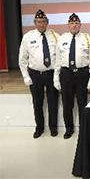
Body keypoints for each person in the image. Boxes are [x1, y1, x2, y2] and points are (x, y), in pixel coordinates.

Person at [18, 9, 59, 138]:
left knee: (53, 102)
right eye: (38, 22)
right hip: (35, 74)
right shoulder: (28, 37)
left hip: (51, 73)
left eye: (43, 22)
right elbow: (22, 59)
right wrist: (25, 76)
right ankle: (39, 127)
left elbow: (59, 58)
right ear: (35, 23)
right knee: (37, 102)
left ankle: (53, 127)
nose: (41, 24)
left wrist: (57, 76)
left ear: (47, 22)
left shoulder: (55, 36)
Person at [54, 13, 90, 139]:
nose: (74, 25)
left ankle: (83, 130)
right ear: (68, 25)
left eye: (76, 23)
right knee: (67, 104)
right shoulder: (62, 39)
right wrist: (56, 78)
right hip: (66, 74)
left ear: (80, 25)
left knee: (82, 103)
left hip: (82, 74)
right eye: (72, 23)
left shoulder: (87, 38)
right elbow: (58, 60)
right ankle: (69, 129)